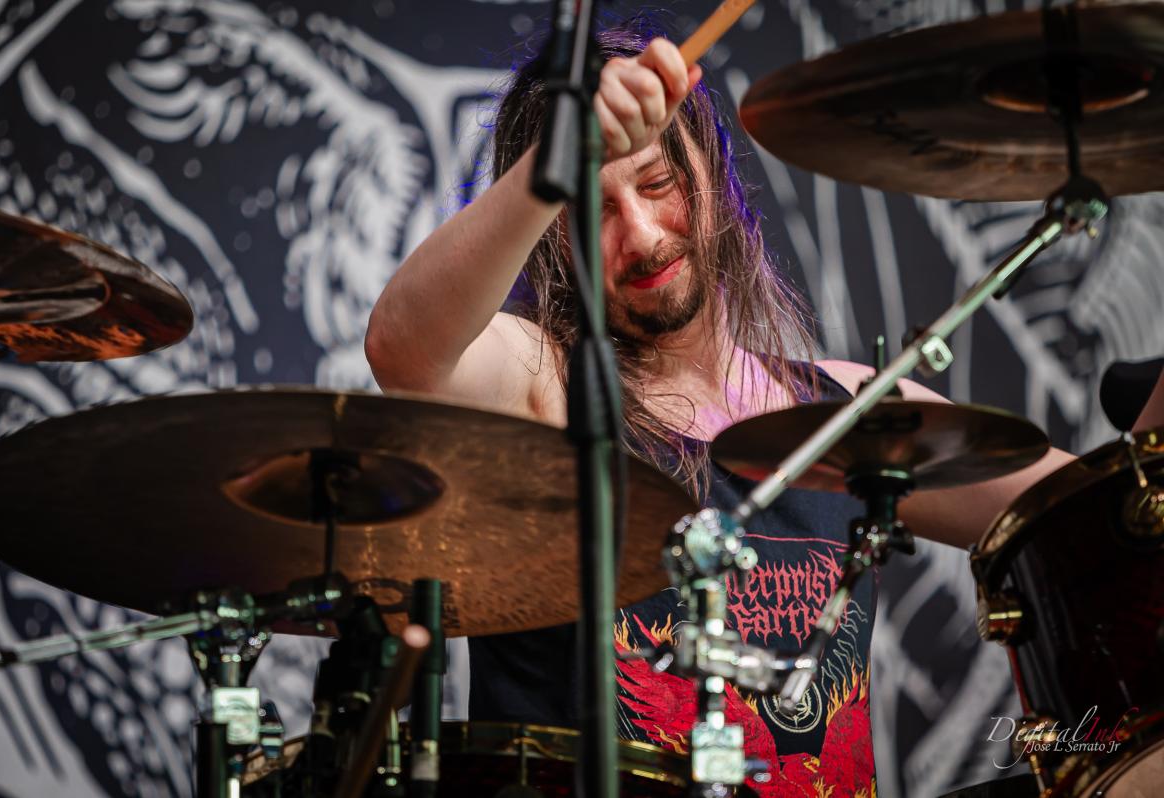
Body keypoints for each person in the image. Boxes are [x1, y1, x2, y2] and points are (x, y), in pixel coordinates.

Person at [364, 16, 1150, 797]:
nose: (641, 234)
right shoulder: (542, 382)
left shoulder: (845, 412)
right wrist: (549, 164)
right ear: (553, 237)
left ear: (714, 172)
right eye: (592, 209)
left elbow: (1115, 515)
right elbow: (404, 347)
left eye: (657, 184)